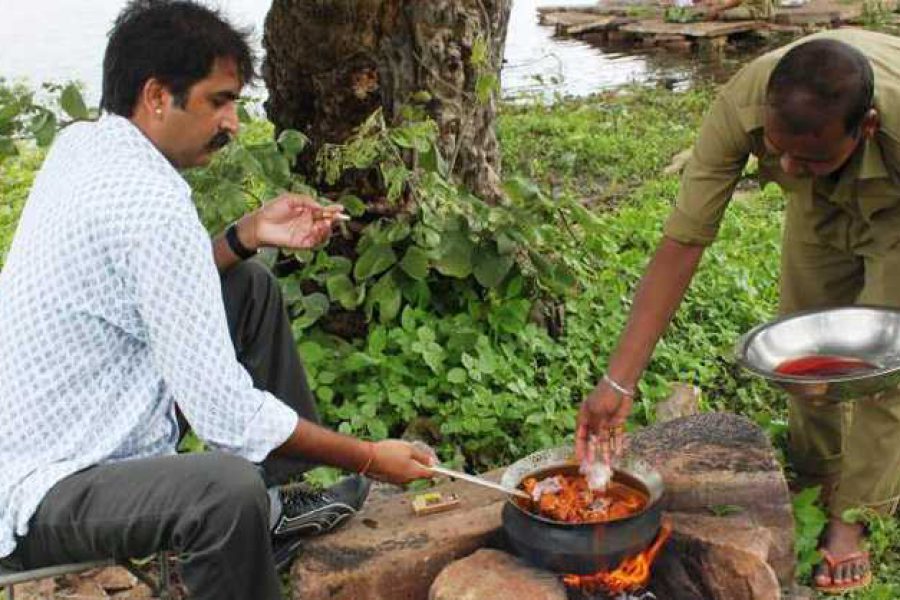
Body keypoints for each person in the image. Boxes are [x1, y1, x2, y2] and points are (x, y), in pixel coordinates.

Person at [0, 2, 435, 598]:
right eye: (218, 101)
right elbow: (225, 414)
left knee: (247, 286)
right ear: (157, 95)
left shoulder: (85, 145)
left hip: (80, 425)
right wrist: (366, 457)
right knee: (224, 492)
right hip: (40, 488)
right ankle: (253, 517)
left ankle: (278, 506)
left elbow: (160, 288)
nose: (232, 122)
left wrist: (246, 234)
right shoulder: (150, 206)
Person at [576, 28, 900, 594]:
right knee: (806, 340)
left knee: (888, 360)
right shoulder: (742, 109)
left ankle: (856, 517)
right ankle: (815, 474)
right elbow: (682, 243)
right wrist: (616, 383)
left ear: (865, 127)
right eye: (779, 152)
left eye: (809, 155)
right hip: (821, 201)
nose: (789, 170)